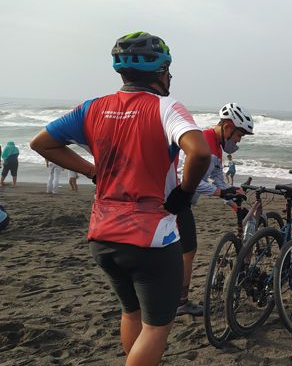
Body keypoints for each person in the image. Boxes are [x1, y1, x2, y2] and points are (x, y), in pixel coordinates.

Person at [30, 31, 210, 366]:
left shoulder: (92, 108)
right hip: (151, 238)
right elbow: (200, 152)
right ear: (161, 71)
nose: (170, 76)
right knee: (157, 328)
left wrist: (92, 171)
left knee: (132, 312)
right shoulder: (166, 107)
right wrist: (184, 194)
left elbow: (41, 143)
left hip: (102, 234)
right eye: (169, 70)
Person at [175, 102, 254, 316]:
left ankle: (174, 298)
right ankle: (180, 302)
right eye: (239, 135)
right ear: (228, 127)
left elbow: (218, 181)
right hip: (173, 203)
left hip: (181, 204)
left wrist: (234, 204)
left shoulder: (215, 147)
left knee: (179, 251)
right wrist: (221, 193)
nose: (238, 141)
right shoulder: (202, 143)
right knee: (187, 252)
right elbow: (186, 180)